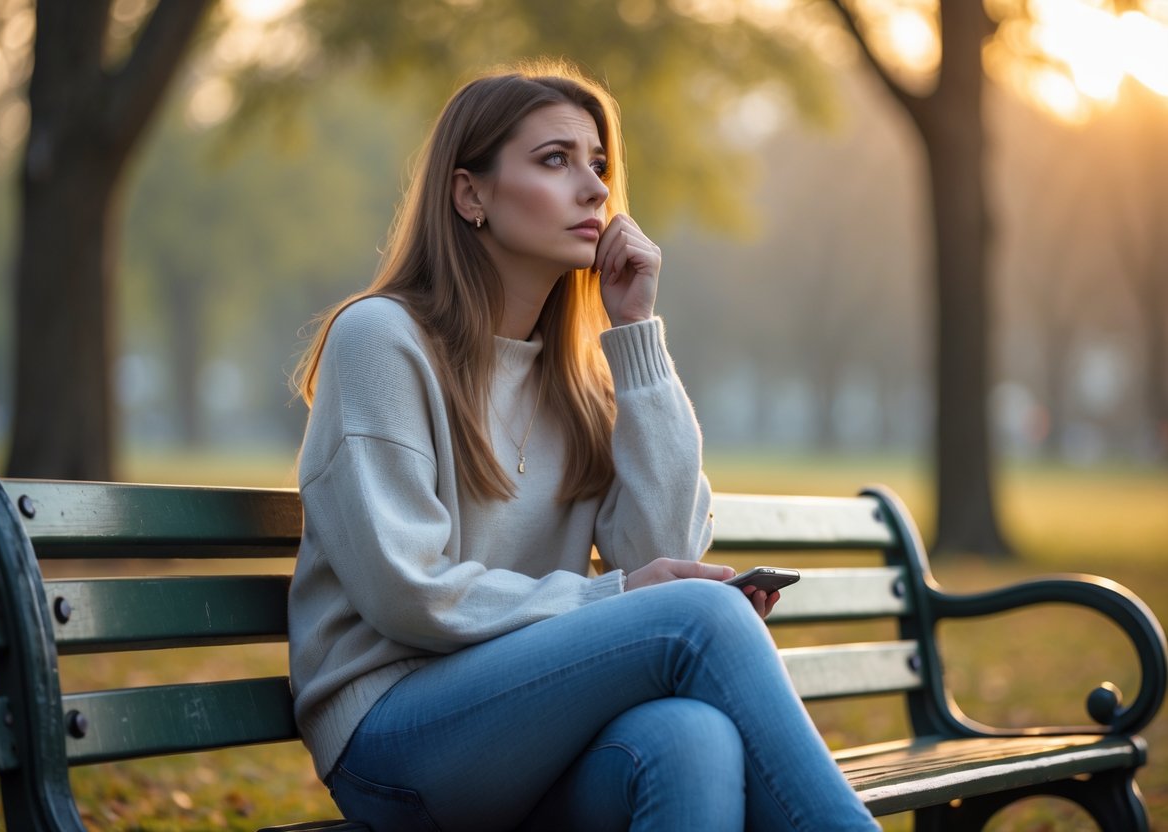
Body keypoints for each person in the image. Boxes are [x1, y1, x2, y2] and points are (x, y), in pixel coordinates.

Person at [288, 59, 878, 832]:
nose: (596, 188)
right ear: (470, 194)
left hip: (530, 732)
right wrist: (618, 598)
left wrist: (632, 333)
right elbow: (407, 591)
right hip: (396, 736)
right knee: (699, 619)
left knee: (688, 738)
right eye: (554, 160)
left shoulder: (576, 380)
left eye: (597, 165)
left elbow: (657, 549)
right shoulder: (383, 340)